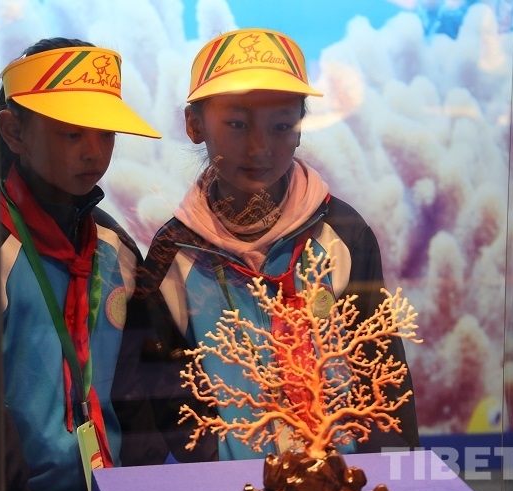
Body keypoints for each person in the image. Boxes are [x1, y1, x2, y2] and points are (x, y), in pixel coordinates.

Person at [140, 28, 420, 463]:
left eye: (282, 126)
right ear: (194, 124)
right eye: (237, 124)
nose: (259, 147)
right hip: (230, 486)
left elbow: (383, 369)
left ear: (301, 129)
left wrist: (390, 476)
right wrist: (213, 466)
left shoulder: (343, 234)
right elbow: (166, 395)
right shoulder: (173, 254)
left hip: (339, 478)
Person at [0, 37, 167, 491]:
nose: (94, 152)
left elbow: (137, 397)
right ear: (13, 132)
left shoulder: (116, 248)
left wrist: (142, 489)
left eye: (106, 133)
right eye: (72, 134)